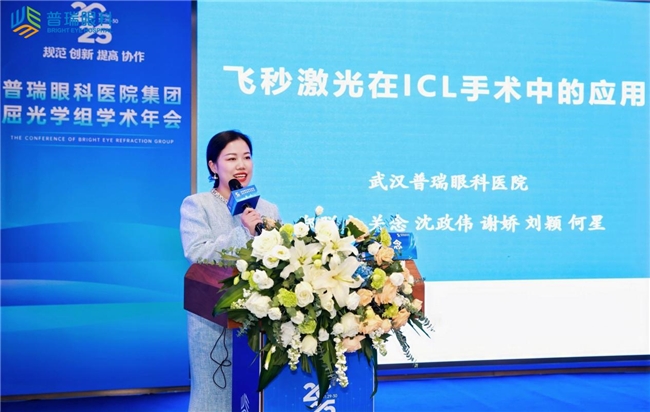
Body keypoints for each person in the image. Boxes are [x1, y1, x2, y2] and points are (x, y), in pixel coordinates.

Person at [180, 130, 280, 412]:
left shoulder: (267, 208)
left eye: (246, 157)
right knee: (214, 393)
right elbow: (197, 251)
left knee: (257, 392)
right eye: (232, 158)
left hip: (260, 318)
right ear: (213, 166)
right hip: (212, 319)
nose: (241, 165)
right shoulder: (197, 205)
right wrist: (244, 233)